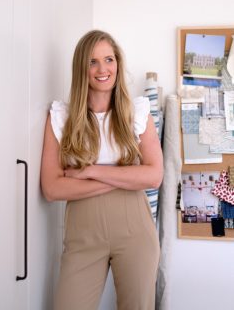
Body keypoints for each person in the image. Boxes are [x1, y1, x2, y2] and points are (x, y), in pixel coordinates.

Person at [40, 30, 163, 310]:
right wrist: (124, 177)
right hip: (82, 236)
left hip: (136, 232)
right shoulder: (61, 118)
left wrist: (88, 171)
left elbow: (154, 175)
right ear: (81, 68)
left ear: (118, 64)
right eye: (92, 62)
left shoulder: (137, 114)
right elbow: (52, 188)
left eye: (108, 59)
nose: (102, 69)